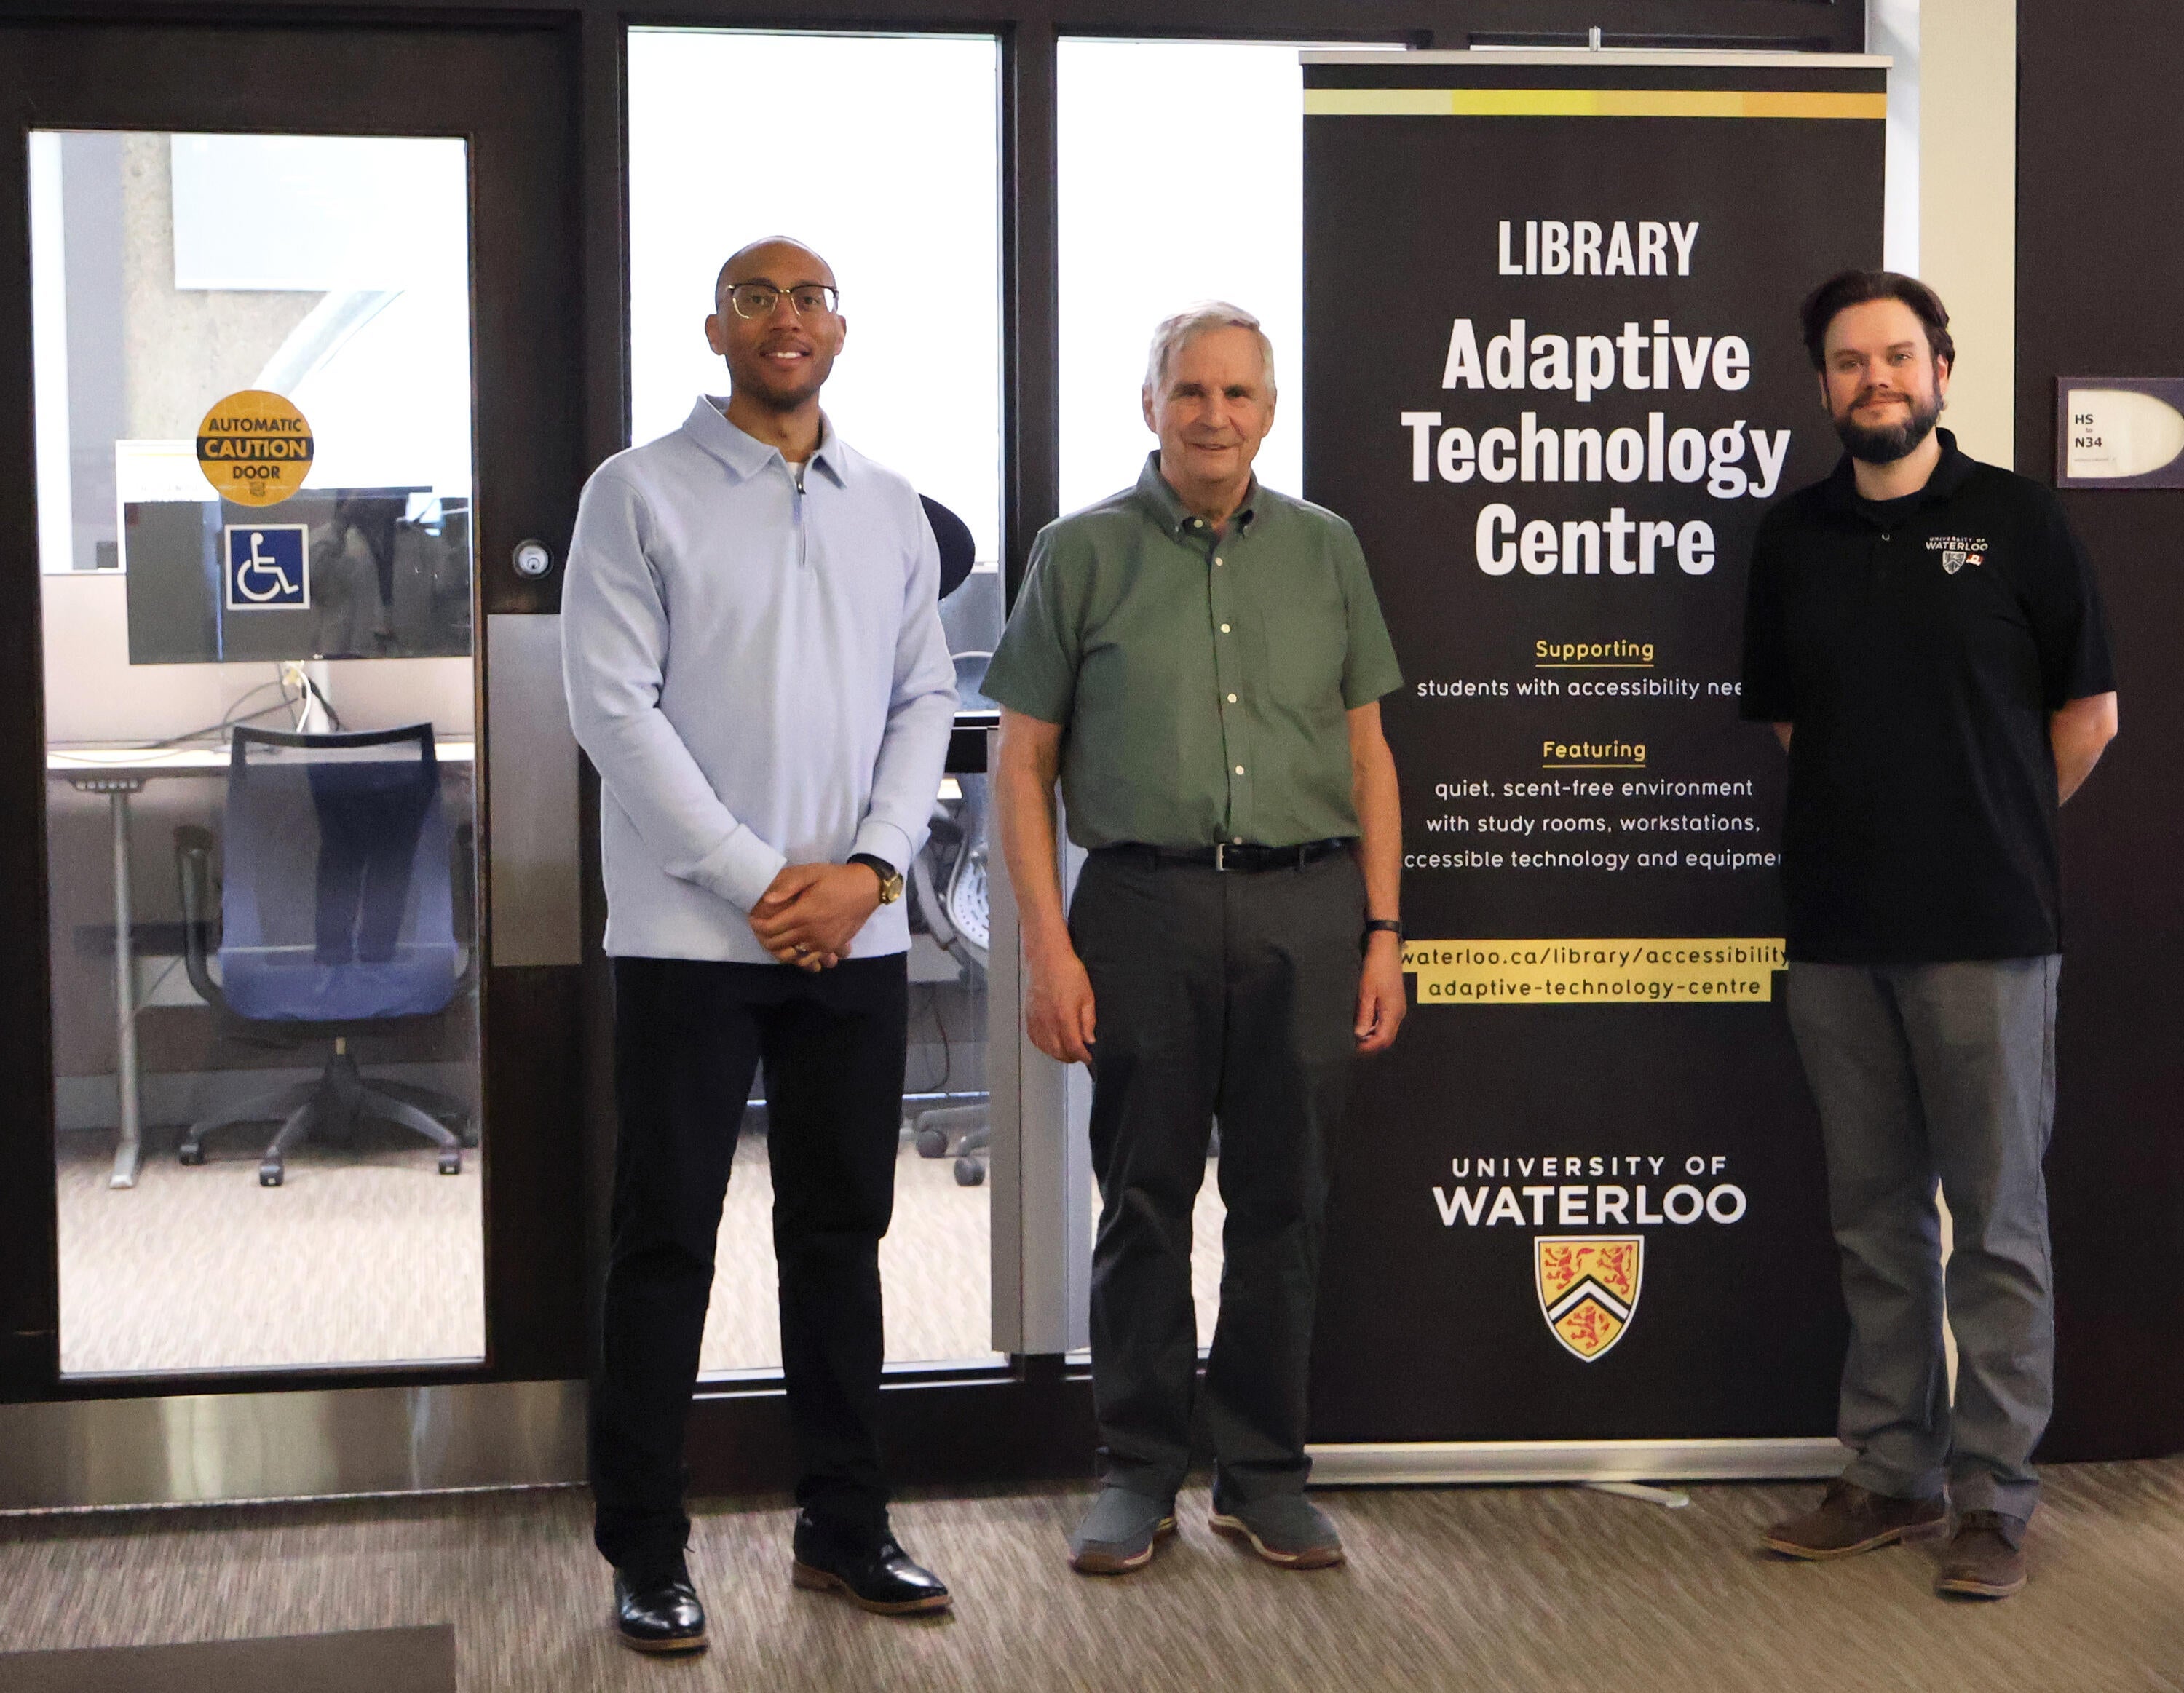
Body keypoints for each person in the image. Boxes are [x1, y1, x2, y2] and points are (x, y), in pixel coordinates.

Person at [561, 237, 958, 1653]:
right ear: (714, 326)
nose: (785, 320)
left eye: (809, 299)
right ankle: (649, 1548)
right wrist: (755, 878)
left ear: (840, 329)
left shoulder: (892, 507)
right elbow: (615, 711)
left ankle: (846, 1525)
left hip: (854, 940)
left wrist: (868, 872)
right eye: (756, 297)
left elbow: (927, 702)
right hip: (685, 937)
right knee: (665, 1239)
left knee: (841, 1236)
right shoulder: (637, 491)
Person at [984, 301, 1408, 1577]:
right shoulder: (1081, 553)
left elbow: (1369, 754)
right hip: (1142, 909)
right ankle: (1138, 1471)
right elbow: (1023, 762)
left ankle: (1264, 1474)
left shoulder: (1328, 550)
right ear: (1152, 404)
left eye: (1237, 394)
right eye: (1190, 392)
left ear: (1268, 410)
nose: (1213, 415)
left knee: (1286, 1204)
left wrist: (1384, 932)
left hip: (1307, 911)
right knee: (1145, 1200)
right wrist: (1049, 949)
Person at [1741, 271, 2118, 1600]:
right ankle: (1891, 1472)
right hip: (1838, 935)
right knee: (1874, 1221)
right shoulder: (1793, 540)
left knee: (1997, 1223)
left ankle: (1994, 1497)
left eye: (1898, 355)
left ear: (1942, 367)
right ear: (1826, 385)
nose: (1876, 379)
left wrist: (1984, 824)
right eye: (1850, 362)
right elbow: (1796, 726)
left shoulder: (2020, 521)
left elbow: (2088, 719)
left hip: (1988, 934)